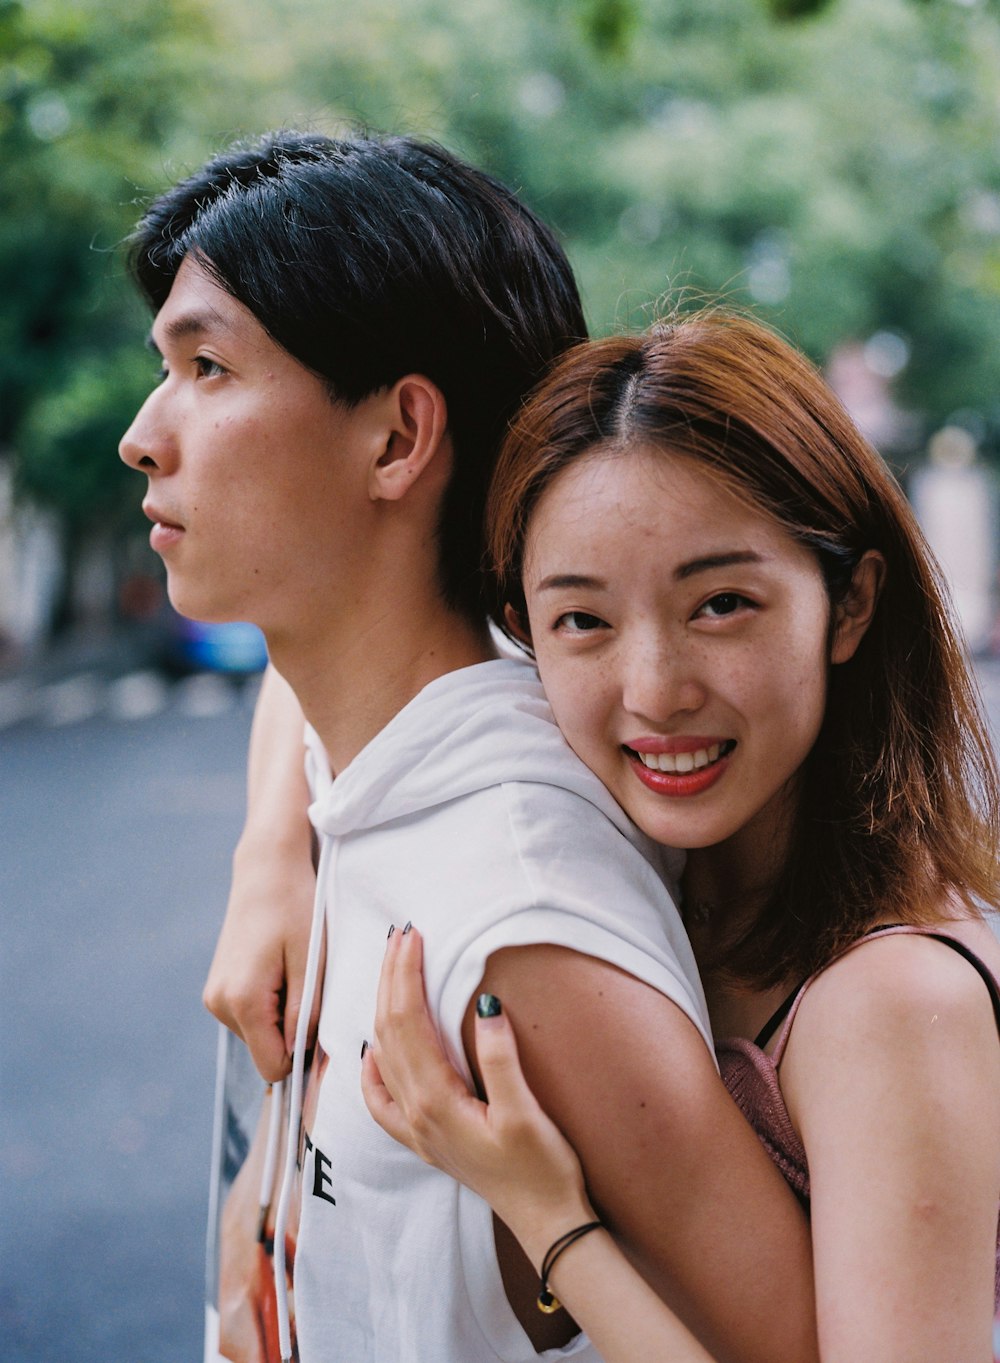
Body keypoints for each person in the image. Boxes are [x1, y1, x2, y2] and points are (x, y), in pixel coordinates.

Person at [119, 134, 818, 1363]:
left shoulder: (516, 906)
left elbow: (793, 1342)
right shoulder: (367, 744)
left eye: (209, 366)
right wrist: (269, 846)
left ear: (397, 440)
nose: (144, 434)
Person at [360, 313, 1000, 1361]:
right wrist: (266, 871)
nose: (654, 690)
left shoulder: (893, 1003)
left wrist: (549, 1218)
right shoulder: (642, 898)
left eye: (721, 605)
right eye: (583, 621)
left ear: (849, 606)